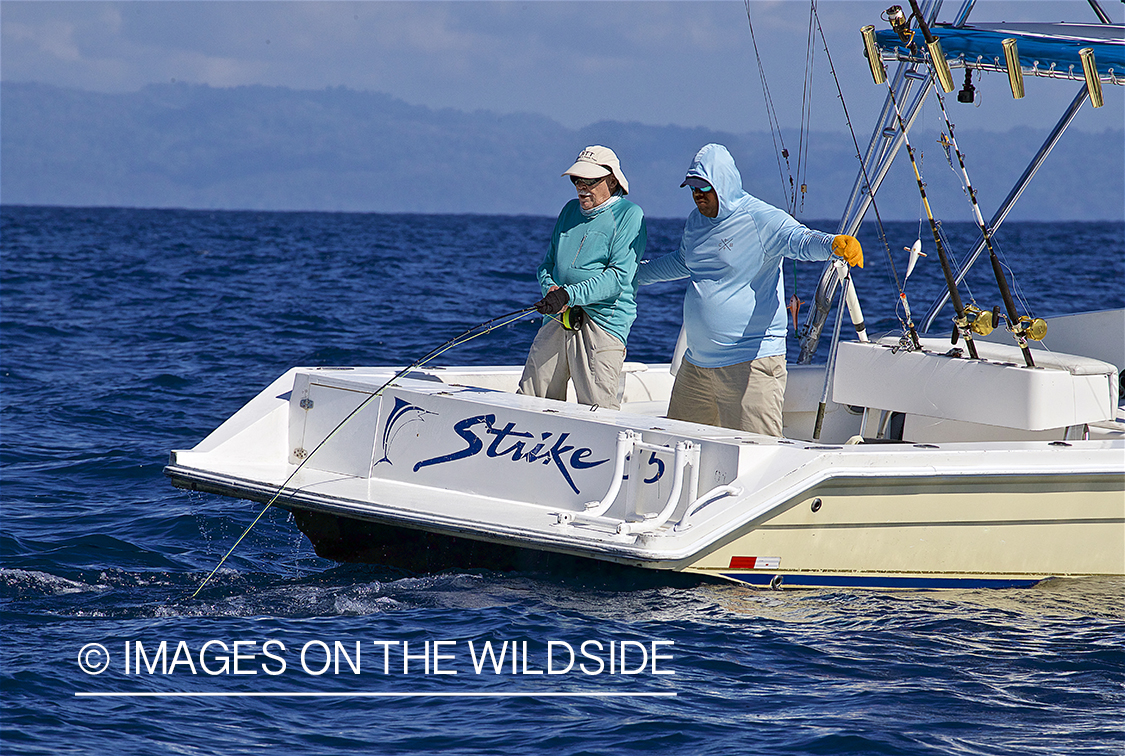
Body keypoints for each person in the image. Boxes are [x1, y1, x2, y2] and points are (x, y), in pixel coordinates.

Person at [637, 143, 863, 436]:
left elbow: (799, 239)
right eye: (692, 187)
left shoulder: (760, 218)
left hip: (750, 363)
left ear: (723, 185)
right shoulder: (696, 221)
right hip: (696, 365)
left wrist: (833, 245)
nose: (697, 194)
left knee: (758, 457)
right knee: (679, 448)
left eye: (703, 187)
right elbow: (684, 261)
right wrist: (636, 274)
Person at [518, 146, 647, 410]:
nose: (581, 187)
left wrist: (568, 295)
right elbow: (547, 264)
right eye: (577, 180)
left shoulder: (629, 215)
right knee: (531, 397)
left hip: (602, 324)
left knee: (597, 409)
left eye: (590, 181)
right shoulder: (569, 211)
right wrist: (551, 288)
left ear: (612, 180)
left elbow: (618, 278)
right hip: (558, 315)